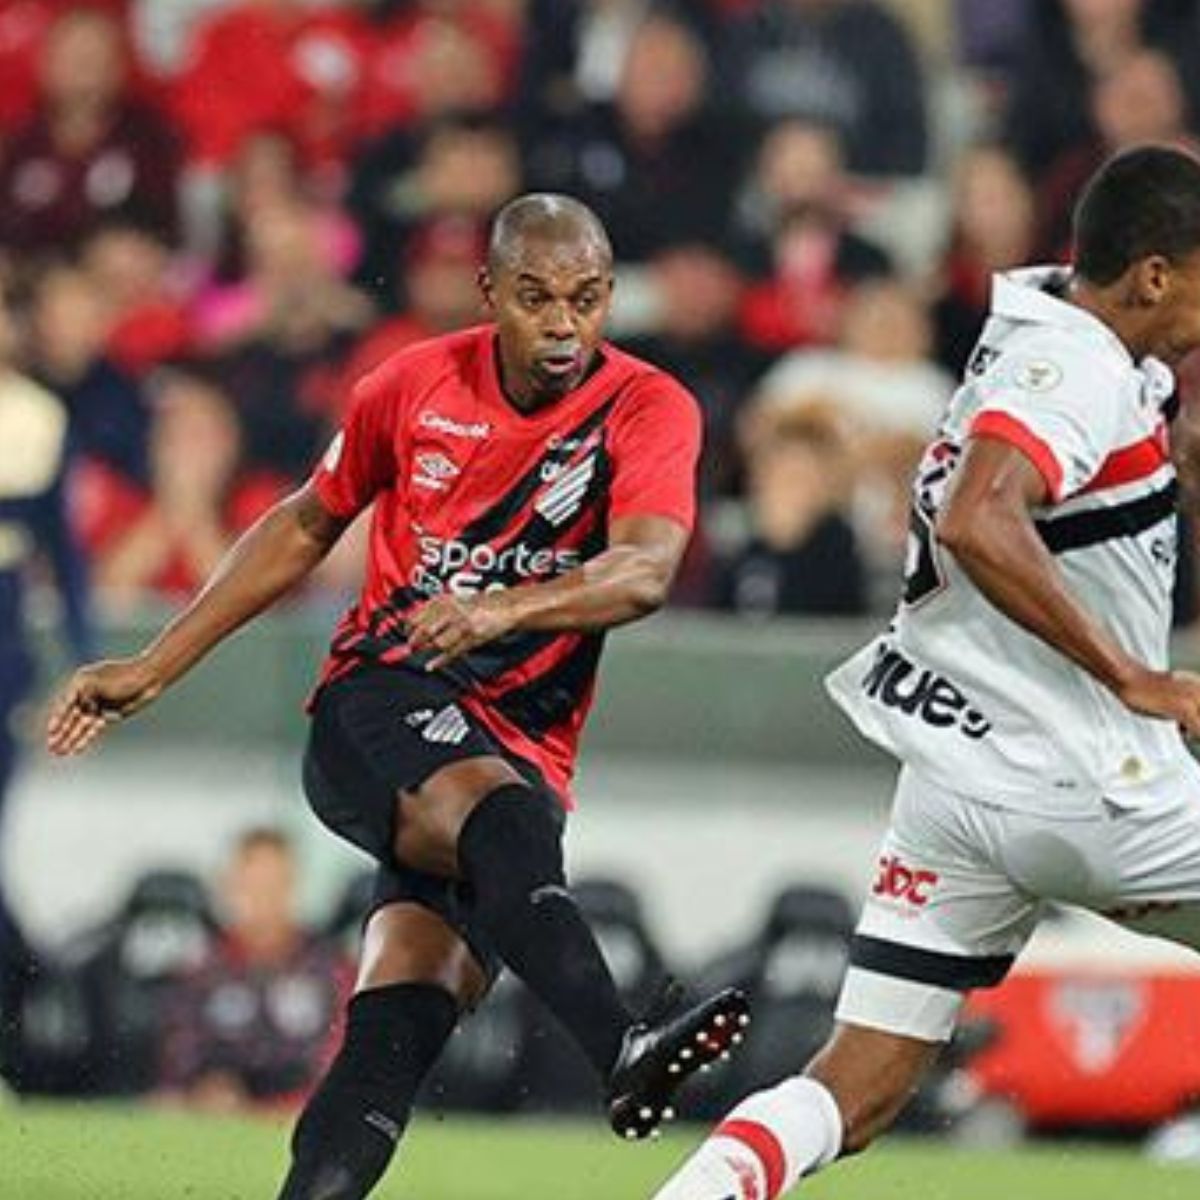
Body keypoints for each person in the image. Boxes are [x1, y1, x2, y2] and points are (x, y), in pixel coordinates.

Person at [46, 193, 748, 1199]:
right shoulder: (411, 385)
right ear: (489, 293)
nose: (563, 326)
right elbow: (302, 525)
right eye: (537, 298)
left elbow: (643, 574)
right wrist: (156, 664)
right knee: (501, 820)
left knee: (395, 1033)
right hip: (378, 703)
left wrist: (499, 609)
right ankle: (623, 1045)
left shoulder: (648, 408)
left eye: (587, 300)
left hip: (519, 747)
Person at [649, 144, 1200, 1199]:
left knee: (859, 1083)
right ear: (1155, 276)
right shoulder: (1073, 364)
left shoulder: (1059, 339)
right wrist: (1136, 675)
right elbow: (980, 516)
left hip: (957, 786)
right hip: (1087, 779)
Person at [158, 828, 353, 1113]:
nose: (264, 898)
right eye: (253, 885)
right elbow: (178, 1061)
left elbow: (344, 1060)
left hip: (304, 1112)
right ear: (230, 885)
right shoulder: (200, 971)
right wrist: (205, 1091)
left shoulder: (331, 969)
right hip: (218, 1117)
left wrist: (280, 1105)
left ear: (293, 884)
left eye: (274, 885)